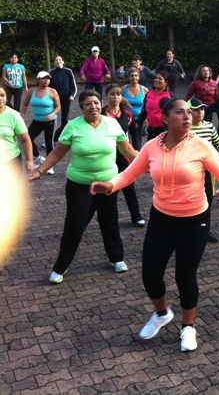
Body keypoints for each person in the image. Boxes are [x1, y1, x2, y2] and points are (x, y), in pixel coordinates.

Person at [90, 98, 219, 352]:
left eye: (189, 112)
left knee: (184, 276)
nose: (187, 117)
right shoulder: (151, 147)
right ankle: (162, 313)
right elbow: (130, 174)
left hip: (194, 221)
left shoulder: (200, 145)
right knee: (150, 274)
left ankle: (188, 327)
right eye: (180, 112)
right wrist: (110, 185)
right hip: (161, 219)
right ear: (166, 119)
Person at [28, 89, 138, 284]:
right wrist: (40, 171)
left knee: (109, 220)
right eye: (88, 104)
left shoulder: (112, 124)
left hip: (107, 183)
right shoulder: (73, 126)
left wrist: (149, 163)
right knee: (75, 224)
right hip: (79, 184)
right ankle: (61, 267)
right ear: (81, 108)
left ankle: (116, 258)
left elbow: (127, 149)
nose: (93, 106)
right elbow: (57, 153)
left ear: (100, 104)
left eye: (96, 102)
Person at [102, 84, 145, 228]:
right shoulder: (100, 114)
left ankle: (136, 216)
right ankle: (107, 219)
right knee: (107, 189)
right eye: (112, 94)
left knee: (129, 187)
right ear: (106, 96)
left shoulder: (128, 115)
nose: (115, 97)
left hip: (123, 156)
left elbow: (135, 134)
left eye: (118, 94)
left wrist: (136, 151)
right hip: (106, 157)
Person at [188, 98, 219, 243]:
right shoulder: (186, 128)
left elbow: (217, 142)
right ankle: (189, 229)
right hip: (189, 172)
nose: (200, 112)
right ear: (189, 112)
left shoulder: (209, 126)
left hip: (206, 171)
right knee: (189, 200)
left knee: (207, 200)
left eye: (202, 109)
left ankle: (204, 230)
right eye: (196, 110)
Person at [21, 71, 61, 174]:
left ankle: (49, 166)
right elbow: (25, 104)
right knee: (28, 138)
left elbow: (58, 107)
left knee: (49, 143)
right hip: (37, 120)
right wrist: (22, 117)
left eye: (48, 78)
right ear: (38, 80)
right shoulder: (32, 91)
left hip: (50, 121)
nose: (46, 80)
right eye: (44, 78)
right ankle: (38, 157)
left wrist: (52, 114)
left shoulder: (52, 91)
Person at [0, 86, 34, 173]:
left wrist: (29, 161)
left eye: (2, 95)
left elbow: (25, 140)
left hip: (11, 161)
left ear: (6, 97)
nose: (0, 98)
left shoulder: (14, 115)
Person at [49, 55, 77, 143]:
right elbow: (49, 87)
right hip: (54, 99)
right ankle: (51, 138)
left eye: (60, 59)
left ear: (63, 62)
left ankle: (58, 137)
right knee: (52, 118)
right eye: (56, 60)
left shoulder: (68, 71)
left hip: (66, 98)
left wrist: (72, 95)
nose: (58, 61)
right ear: (54, 63)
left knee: (64, 120)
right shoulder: (51, 72)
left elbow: (73, 86)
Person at [138, 71, 173, 141]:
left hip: (164, 129)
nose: (157, 80)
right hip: (151, 129)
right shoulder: (149, 93)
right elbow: (145, 110)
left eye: (160, 79)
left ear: (166, 82)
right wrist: (138, 122)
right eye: (156, 78)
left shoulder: (170, 96)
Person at [122, 67, 149, 150]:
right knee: (123, 141)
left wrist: (147, 118)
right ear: (128, 77)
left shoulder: (144, 90)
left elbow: (148, 105)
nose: (134, 77)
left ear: (139, 77)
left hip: (139, 119)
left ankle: (137, 156)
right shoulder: (123, 89)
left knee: (137, 142)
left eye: (136, 75)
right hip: (126, 119)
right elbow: (117, 102)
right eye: (131, 76)